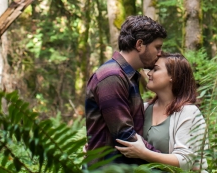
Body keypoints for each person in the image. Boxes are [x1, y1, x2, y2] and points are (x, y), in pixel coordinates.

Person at [85, 15, 167, 164]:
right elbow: (126, 137)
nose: (160, 53)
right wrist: (169, 164)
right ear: (140, 44)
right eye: (157, 47)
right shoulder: (112, 77)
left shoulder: (126, 76)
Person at [115, 53, 209, 171]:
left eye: (155, 69)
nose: (149, 73)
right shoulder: (143, 109)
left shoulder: (189, 113)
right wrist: (98, 147)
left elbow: (184, 162)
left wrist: (144, 153)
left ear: (173, 76)